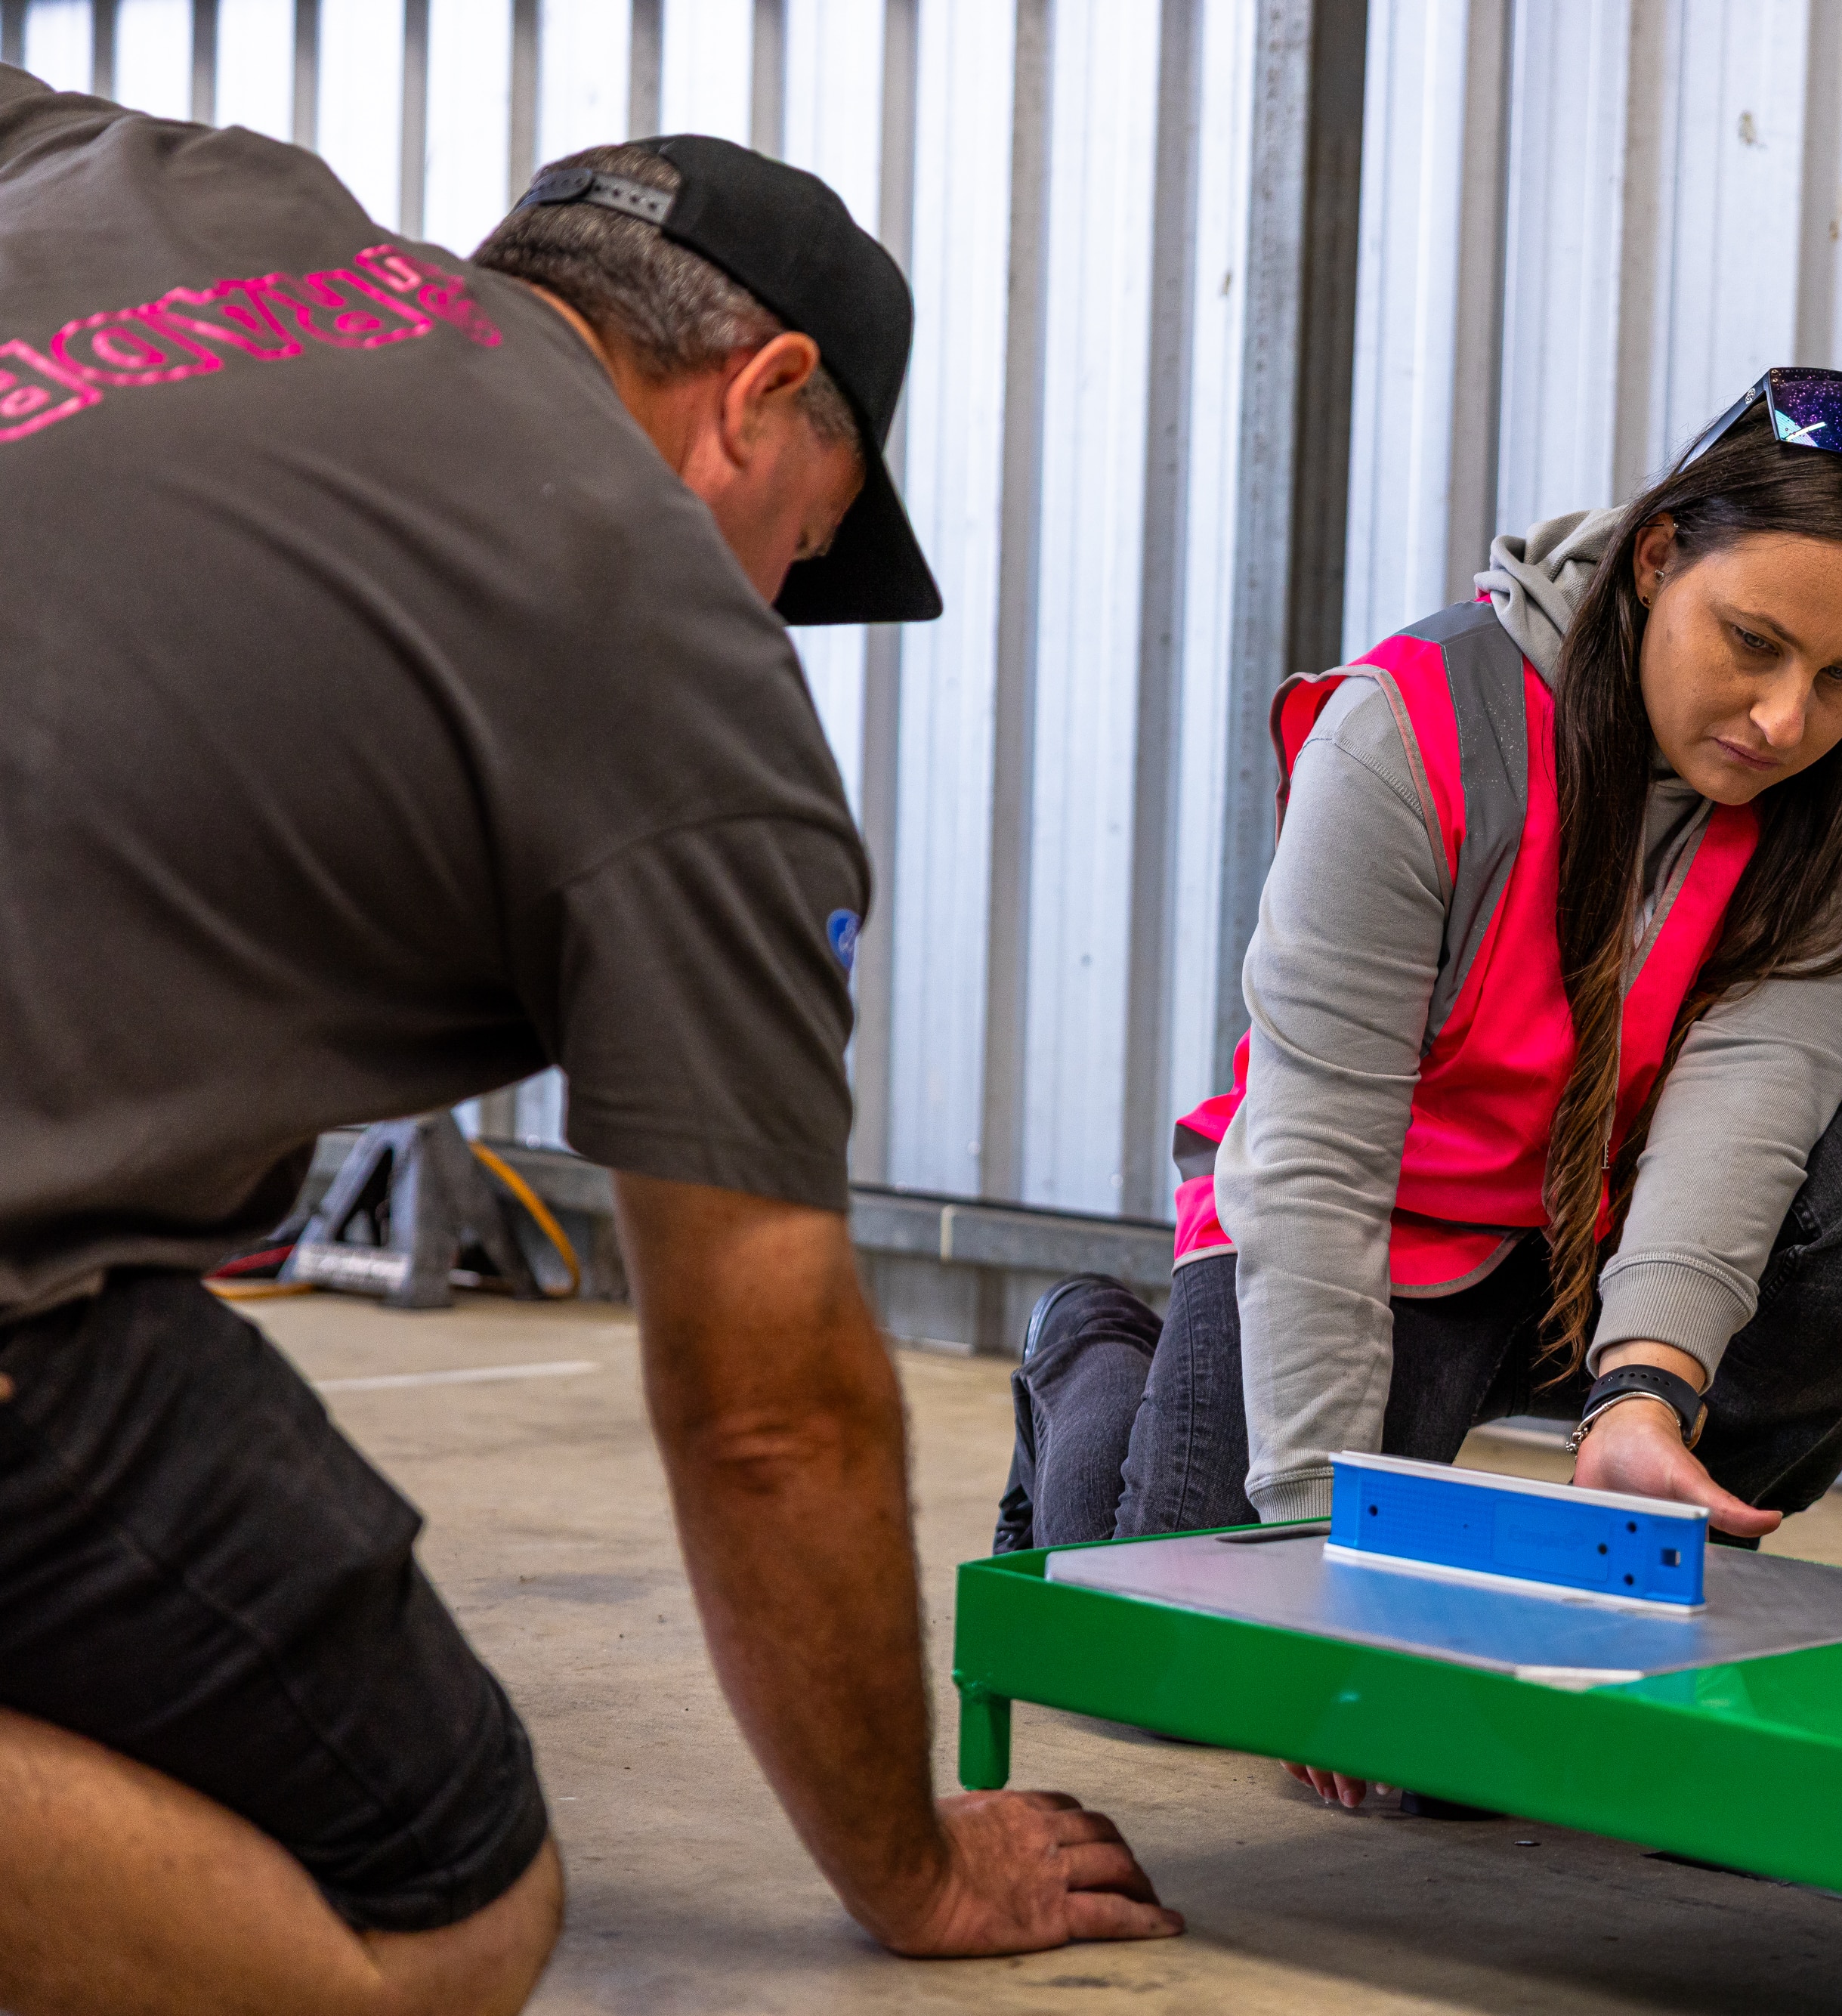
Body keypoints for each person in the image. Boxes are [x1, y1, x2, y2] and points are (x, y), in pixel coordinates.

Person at [0, 75, 1173, 2016]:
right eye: (812, 543)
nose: (785, 605)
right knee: (444, 1909)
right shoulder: (675, 666)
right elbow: (768, 1399)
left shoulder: (173, 183)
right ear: (758, 391)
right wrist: (911, 1858)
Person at [997, 369, 1842, 1802]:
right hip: (1381, 1236)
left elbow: (1760, 1081)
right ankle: (1096, 1348)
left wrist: (1648, 1389)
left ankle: (1662, 1561)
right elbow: (1317, 1151)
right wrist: (1314, 1585)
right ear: (1659, 557)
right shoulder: (1414, 724)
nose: (1787, 720)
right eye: (1753, 643)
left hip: (1613, 1243)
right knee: (1179, 1664)